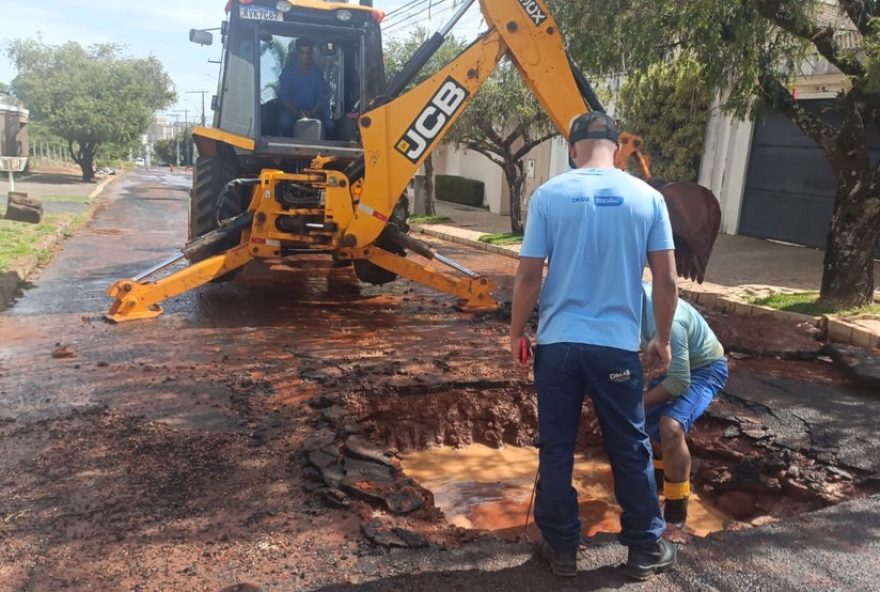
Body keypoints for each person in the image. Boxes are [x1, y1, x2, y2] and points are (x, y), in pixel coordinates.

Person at [509, 112, 680, 581]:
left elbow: (528, 275)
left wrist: (516, 331)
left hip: (559, 347)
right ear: (618, 149)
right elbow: (667, 279)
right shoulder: (648, 198)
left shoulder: (548, 196)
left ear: (572, 149)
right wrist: (662, 339)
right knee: (629, 445)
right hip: (616, 349)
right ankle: (645, 548)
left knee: (556, 447)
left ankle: (562, 549)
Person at [640, 282, 728, 528]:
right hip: (668, 362)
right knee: (643, 423)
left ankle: (676, 515)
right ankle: (657, 487)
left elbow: (679, 382)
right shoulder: (618, 303)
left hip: (705, 368)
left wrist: (634, 404)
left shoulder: (671, 321)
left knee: (670, 427)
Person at [278, 37, 333, 138]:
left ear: (312, 54)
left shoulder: (317, 75)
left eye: (308, 53)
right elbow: (283, 97)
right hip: (292, 111)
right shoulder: (288, 73)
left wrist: (311, 112)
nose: (305, 56)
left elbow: (321, 98)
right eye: (302, 52)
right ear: (297, 53)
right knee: (284, 123)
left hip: (313, 113)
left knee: (329, 125)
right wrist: (297, 112)